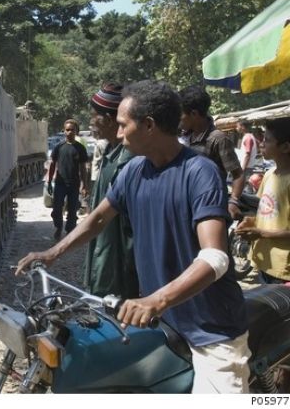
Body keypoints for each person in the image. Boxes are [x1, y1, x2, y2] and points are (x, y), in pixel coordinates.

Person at [19, 80, 250, 393]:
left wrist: (155, 300)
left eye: (123, 125)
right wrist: (51, 254)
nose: (118, 133)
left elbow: (216, 257)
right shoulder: (134, 171)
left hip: (210, 330)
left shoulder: (200, 172)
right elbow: (98, 218)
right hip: (161, 322)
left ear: (149, 125)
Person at [84, 83, 139, 299]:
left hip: (117, 256)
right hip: (103, 246)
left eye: (94, 115)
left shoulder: (127, 159)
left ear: (109, 119)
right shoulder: (110, 152)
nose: (91, 121)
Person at [179, 85, 246, 220]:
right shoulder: (184, 137)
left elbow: (238, 174)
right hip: (188, 205)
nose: (178, 118)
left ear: (194, 114)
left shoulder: (217, 139)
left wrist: (233, 202)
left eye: (180, 114)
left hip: (210, 207)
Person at [236, 117, 290, 284]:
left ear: (285, 147)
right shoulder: (268, 174)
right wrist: (250, 222)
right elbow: (266, 212)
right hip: (264, 261)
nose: (261, 143)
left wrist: (262, 233)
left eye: (267, 140)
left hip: (283, 269)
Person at [47, 119, 88, 241]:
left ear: (76, 131)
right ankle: (58, 227)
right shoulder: (59, 147)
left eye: (72, 130)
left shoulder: (80, 148)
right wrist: (49, 181)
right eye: (67, 130)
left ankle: (70, 232)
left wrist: (84, 185)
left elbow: (83, 169)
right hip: (60, 183)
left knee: (72, 209)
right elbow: (53, 165)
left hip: (74, 184)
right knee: (57, 208)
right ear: (64, 131)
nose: (70, 132)